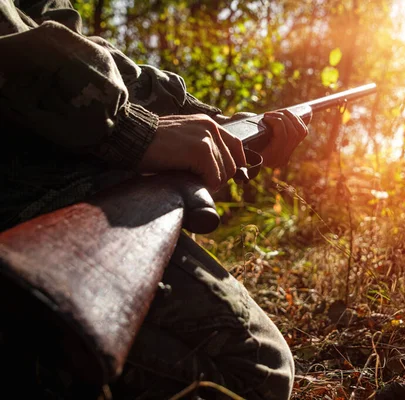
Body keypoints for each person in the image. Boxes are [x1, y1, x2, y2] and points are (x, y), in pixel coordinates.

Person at [0, 1, 308, 399]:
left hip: (52, 188)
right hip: (23, 206)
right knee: (255, 372)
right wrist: (128, 131)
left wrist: (220, 124)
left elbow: (88, 53)